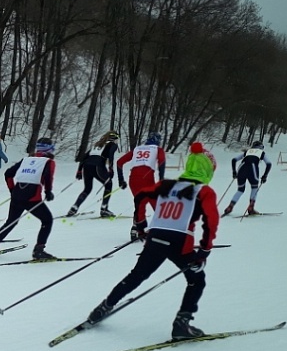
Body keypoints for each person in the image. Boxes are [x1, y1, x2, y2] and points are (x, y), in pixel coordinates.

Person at [85, 142, 219, 340]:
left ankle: (103, 307)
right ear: (207, 169)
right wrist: (204, 251)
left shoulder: (165, 185)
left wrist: (140, 225)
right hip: (180, 243)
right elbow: (211, 221)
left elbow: (140, 196)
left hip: (155, 238)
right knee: (196, 280)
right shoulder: (204, 191)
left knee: (136, 276)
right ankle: (182, 324)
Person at [0, 137, 56, 260]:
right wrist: (48, 191)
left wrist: (13, 190)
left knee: (11, 222)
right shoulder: (48, 162)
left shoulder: (26, 160)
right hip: (32, 198)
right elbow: (48, 177)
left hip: (17, 196)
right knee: (47, 220)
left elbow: (8, 174)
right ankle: (39, 251)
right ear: (50, 149)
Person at [116, 132, 166, 240]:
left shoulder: (137, 149)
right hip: (146, 179)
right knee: (157, 204)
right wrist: (161, 180)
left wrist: (121, 180)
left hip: (133, 180)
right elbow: (162, 163)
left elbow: (119, 162)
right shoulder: (157, 149)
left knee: (140, 204)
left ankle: (137, 229)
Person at [66, 130, 119, 218]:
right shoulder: (112, 144)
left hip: (86, 166)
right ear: (114, 138)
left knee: (87, 189)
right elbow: (110, 156)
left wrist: (79, 171)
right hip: (98, 166)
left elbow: (84, 157)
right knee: (109, 184)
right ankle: (104, 209)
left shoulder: (97, 144)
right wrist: (111, 169)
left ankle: (74, 208)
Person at [222, 140, 272, 216]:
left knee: (240, 190)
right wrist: (265, 175)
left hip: (241, 169)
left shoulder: (247, 151)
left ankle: (230, 206)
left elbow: (234, 160)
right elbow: (269, 164)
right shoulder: (261, 152)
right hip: (252, 169)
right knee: (254, 188)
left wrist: (234, 172)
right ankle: (251, 208)